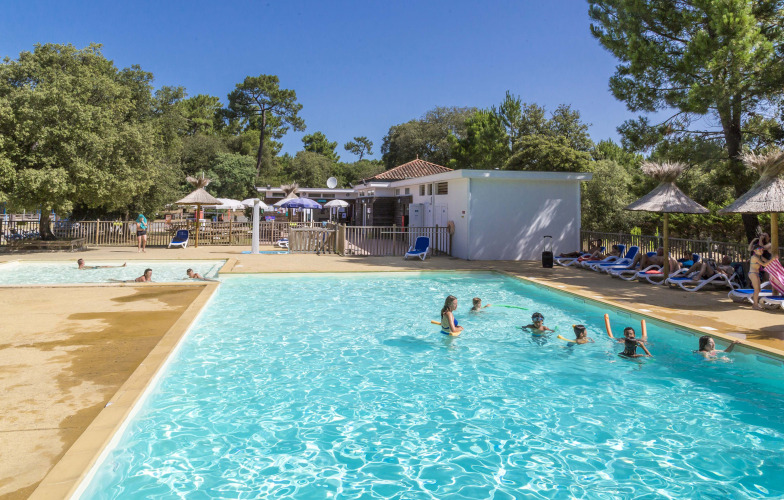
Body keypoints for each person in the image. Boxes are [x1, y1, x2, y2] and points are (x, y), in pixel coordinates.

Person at [750, 245, 771, 310]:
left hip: (756, 273)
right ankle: (755, 305)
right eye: (759, 250)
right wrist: (772, 259)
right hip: (753, 274)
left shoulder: (759, 256)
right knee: (756, 290)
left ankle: (755, 304)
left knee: (758, 290)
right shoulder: (754, 257)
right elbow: (764, 264)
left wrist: (773, 259)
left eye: (762, 250)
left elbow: (766, 260)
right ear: (755, 251)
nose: (761, 251)